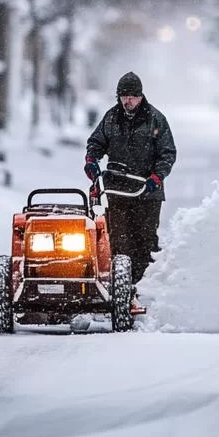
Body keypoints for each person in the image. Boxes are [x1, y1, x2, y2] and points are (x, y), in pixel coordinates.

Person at [84, 72, 176, 294]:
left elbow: (168, 153)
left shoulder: (156, 120)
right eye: (124, 96)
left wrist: (157, 177)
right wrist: (91, 161)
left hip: (147, 191)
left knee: (144, 240)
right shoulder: (111, 118)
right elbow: (96, 143)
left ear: (141, 97)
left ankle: (144, 286)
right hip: (118, 190)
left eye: (133, 96)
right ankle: (122, 288)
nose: (128, 101)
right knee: (119, 239)